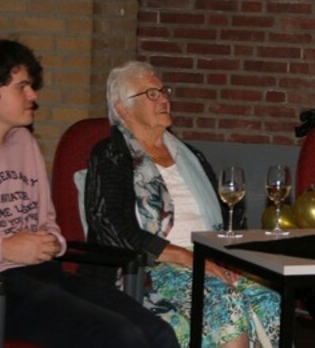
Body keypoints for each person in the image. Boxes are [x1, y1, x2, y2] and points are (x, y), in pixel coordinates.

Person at [0, 39, 178, 348]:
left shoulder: (23, 143)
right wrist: (1, 249)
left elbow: (45, 219)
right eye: (22, 87)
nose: (33, 95)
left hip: (39, 275)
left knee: (158, 332)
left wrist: (52, 241)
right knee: (120, 336)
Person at [85, 61, 281, 348]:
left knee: (270, 300)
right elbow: (108, 225)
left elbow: (230, 216)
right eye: (151, 94)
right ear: (123, 108)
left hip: (206, 256)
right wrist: (180, 255)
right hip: (149, 267)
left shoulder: (190, 155)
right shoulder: (111, 155)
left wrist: (232, 258)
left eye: (163, 91)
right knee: (226, 304)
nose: (164, 99)